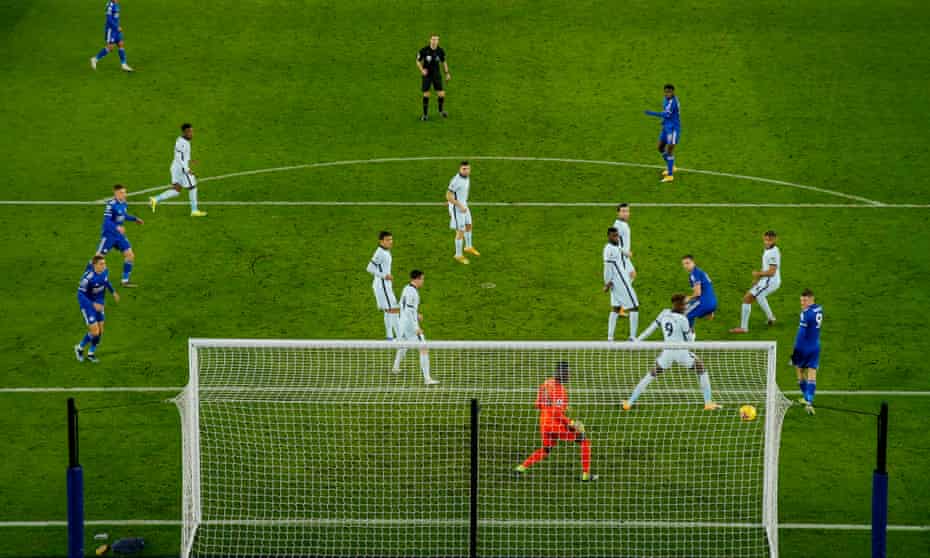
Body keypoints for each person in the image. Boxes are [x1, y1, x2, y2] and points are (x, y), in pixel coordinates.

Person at [623, 294, 721, 411]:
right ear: (680, 305)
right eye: (685, 304)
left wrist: (637, 340)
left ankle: (629, 402)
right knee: (701, 368)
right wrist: (693, 333)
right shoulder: (683, 319)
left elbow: (651, 328)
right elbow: (690, 341)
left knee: (651, 374)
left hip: (667, 352)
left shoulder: (664, 313)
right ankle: (708, 403)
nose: (686, 306)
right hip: (681, 352)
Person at [515, 362, 596, 482]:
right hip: (555, 424)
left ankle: (521, 468)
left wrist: (559, 407)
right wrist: (571, 423)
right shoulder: (560, 390)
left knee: (546, 449)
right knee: (584, 440)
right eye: (568, 373)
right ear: (562, 374)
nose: (570, 376)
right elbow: (556, 413)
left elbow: (537, 404)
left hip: (543, 422)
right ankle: (586, 475)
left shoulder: (546, 383)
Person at [391, 270, 439, 385]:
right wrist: (416, 327)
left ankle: (396, 367)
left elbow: (403, 306)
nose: (423, 281)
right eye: (422, 279)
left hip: (402, 322)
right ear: (416, 279)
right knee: (424, 348)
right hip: (410, 326)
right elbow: (408, 310)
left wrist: (416, 315)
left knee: (404, 344)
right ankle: (427, 379)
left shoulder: (406, 288)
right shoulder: (413, 293)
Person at [150, 124, 207, 217]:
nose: (192, 134)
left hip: (176, 167)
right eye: (189, 132)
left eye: (192, 131)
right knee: (192, 187)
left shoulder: (182, 140)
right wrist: (187, 169)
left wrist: (190, 160)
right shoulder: (183, 143)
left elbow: (182, 156)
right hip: (181, 169)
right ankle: (194, 210)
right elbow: (179, 157)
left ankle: (155, 199)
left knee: (176, 190)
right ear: (184, 132)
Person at [730, 230, 781, 333]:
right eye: (765, 239)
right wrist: (758, 279)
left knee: (747, 298)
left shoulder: (772, 253)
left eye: (769, 240)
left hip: (770, 281)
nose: (767, 242)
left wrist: (758, 274)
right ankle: (771, 318)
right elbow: (766, 267)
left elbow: (771, 272)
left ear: (775, 239)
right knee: (759, 296)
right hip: (768, 280)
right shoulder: (771, 249)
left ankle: (744, 328)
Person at [74, 255, 120, 363]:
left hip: (99, 304)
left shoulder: (105, 271)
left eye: (104, 263)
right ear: (95, 265)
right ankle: (79, 348)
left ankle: (91, 353)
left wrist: (113, 292)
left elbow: (106, 281)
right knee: (95, 332)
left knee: (101, 331)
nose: (104, 266)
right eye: (101, 264)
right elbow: (80, 294)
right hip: (88, 306)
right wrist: (92, 304)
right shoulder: (87, 278)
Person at [96, 184, 143, 287]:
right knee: (98, 258)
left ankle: (125, 281)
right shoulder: (111, 205)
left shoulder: (124, 203)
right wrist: (117, 227)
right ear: (116, 193)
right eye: (122, 192)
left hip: (119, 236)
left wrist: (135, 219)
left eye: (125, 192)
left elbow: (123, 215)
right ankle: (87, 280)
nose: (124, 194)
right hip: (109, 235)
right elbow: (106, 221)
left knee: (130, 255)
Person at [604, 227, 639, 340]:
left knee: (615, 308)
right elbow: (607, 268)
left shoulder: (614, 246)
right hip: (620, 281)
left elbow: (619, 249)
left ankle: (610, 338)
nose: (617, 237)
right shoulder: (610, 250)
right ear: (609, 236)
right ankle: (632, 338)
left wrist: (626, 253)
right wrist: (607, 283)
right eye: (614, 236)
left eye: (617, 235)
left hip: (616, 282)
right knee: (634, 307)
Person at [792, 289, 823, 415]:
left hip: (803, 347)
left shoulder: (806, 314)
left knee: (799, 372)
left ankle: (806, 398)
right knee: (812, 374)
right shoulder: (819, 309)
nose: (802, 303)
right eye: (801, 300)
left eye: (804, 300)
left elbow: (801, 333)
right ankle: (809, 402)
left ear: (811, 299)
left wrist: (796, 349)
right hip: (815, 345)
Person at [366, 231, 399, 340]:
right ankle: (398, 337)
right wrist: (384, 275)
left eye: (391, 239)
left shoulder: (385, 251)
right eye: (388, 240)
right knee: (393, 309)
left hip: (385, 285)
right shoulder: (379, 252)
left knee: (389, 309)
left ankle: (390, 337)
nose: (390, 242)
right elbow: (369, 268)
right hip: (382, 285)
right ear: (381, 241)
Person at [644, 84, 680, 183]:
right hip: (666, 127)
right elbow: (666, 113)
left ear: (673, 92)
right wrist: (664, 122)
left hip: (673, 129)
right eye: (665, 92)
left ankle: (670, 175)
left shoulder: (673, 102)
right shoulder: (665, 99)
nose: (667, 94)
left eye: (669, 92)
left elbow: (665, 113)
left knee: (669, 151)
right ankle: (671, 166)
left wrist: (651, 113)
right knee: (660, 147)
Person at [446, 161, 479, 264]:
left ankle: (468, 247)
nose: (466, 171)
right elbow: (448, 195)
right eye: (464, 169)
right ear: (460, 169)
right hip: (458, 208)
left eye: (468, 169)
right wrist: (458, 206)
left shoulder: (466, 178)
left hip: (464, 205)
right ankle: (458, 255)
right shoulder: (456, 181)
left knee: (469, 225)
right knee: (461, 231)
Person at [90, 0, 134, 72]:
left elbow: (116, 17)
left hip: (116, 29)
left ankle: (124, 65)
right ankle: (95, 59)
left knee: (121, 44)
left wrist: (118, 26)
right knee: (110, 47)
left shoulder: (116, 3)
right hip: (111, 30)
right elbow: (109, 19)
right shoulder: (110, 5)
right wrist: (116, 27)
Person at [416, 34, 451, 120]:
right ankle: (425, 115)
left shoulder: (440, 51)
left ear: (438, 41)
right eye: (433, 39)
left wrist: (447, 73)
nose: (434, 41)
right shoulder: (424, 50)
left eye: (436, 40)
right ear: (430, 40)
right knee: (426, 94)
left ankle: (441, 111)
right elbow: (417, 61)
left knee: (441, 94)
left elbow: (444, 62)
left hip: (436, 75)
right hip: (427, 75)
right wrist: (422, 70)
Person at [681, 255, 717, 338]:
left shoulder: (694, 274)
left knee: (683, 315)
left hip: (704, 302)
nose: (685, 266)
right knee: (689, 310)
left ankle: (688, 340)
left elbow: (697, 293)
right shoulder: (701, 272)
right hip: (712, 302)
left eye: (687, 263)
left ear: (693, 263)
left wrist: (688, 298)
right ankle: (708, 313)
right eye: (684, 264)